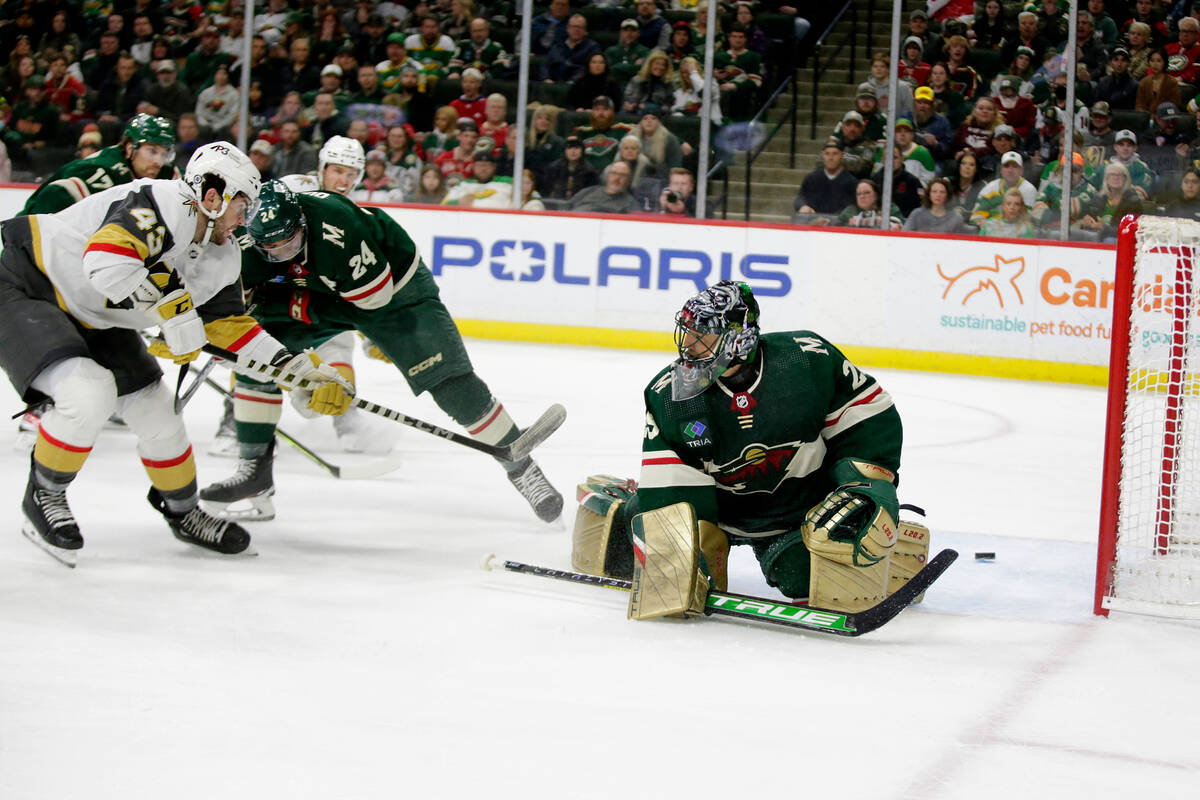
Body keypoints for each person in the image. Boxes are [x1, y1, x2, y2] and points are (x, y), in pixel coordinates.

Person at [0, 143, 329, 562]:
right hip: (26, 282)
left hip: (97, 315)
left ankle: (184, 512)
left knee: (159, 414)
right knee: (88, 393)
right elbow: (106, 261)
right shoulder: (165, 201)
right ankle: (43, 495)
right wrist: (175, 312)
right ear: (213, 195)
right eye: (241, 206)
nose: (244, 220)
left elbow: (227, 327)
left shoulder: (223, 255)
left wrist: (296, 369)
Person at [201, 180, 563, 523]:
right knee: (253, 359)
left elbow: (371, 302)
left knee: (449, 380)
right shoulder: (243, 240)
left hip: (392, 292)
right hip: (314, 289)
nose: (280, 253)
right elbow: (233, 304)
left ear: (301, 222)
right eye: (270, 249)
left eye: (289, 242)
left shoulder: (338, 228)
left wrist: (310, 354)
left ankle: (521, 466)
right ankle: (254, 473)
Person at [568, 281, 918, 619]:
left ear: (739, 338)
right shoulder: (668, 395)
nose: (688, 344)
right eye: (687, 331)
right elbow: (669, 491)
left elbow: (868, 419)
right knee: (653, 553)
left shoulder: (808, 359)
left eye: (702, 334)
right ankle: (615, 509)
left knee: (811, 580)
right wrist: (678, 564)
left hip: (798, 514)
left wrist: (870, 484)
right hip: (715, 514)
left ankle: (886, 545)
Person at [21, 114, 175, 215]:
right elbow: (52, 197)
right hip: (28, 244)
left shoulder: (161, 171)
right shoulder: (101, 172)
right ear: (129, 149)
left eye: (164, 153)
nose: (159, 161)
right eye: (152, 151)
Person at [970, 151, 1038, 227]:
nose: (1010, 170)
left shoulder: (1029, 190)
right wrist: (982, 223)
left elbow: (1027, 220)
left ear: (1021, 171)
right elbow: (975, 216)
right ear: (1001, 170)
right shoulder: (990, 188)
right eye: (1006, 166)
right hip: (991, 232)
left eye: (1015, 166)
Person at [794, 139, 857, 220]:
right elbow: (800, 197)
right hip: (813, 225)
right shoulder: (811, 178)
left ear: (842, 155)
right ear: (823, 155)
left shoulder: (851, 182)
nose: (830, 158)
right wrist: (803, 206)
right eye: (827, 154)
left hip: (839, 227)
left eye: (835, 154)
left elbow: (851, 208)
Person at [542, 14, 600, 83]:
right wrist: (546, 78)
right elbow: (546, 65)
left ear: (585, 30)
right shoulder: (557, 45)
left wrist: (574, 81)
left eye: (580, 27)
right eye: (574, 27)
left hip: (578, 86)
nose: (576, 30)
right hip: (554, 84)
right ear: (568, 29)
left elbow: (589, 69)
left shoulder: (592, 47)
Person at [567, 160, 638, 213]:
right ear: (607, 175)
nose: (617, 178)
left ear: (628, 180)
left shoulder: (630, 203)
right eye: (614, 173)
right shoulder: (589, 191)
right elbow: (567, 206)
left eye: (622, 175)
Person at [903, 177, 970, 233]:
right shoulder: (917, 214)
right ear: (929, 194)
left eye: (942, 192)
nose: (938, 195)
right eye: (934, 191)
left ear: (947, 195)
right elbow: (905, 235)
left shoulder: (956, 218)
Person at [542, 135, 599, 200]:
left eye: (576, 148)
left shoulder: (590, 171)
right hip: (556, 203)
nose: (573, 151)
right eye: (569, 148)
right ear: (564, 151)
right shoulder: (553, 168)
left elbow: (592, 194)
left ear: (582, 151)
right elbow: (546, 191)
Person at [835, 179, 903, 230]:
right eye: (858, 194)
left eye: (867, 193)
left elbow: (897, 227)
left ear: (876, 195)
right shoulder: (849, 211)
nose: (862, 196)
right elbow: (836, 226)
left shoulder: (889, 209)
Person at [623, 50, 675, 116]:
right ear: (650, 64)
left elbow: (669, 104)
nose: (660, 67)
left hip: (658, 115)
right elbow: (627, 97)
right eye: (657, 64)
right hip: (635, 113)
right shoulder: (637, 80)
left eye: (663, 65)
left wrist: (651, 108)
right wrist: (631, 105)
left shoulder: (667, 83)